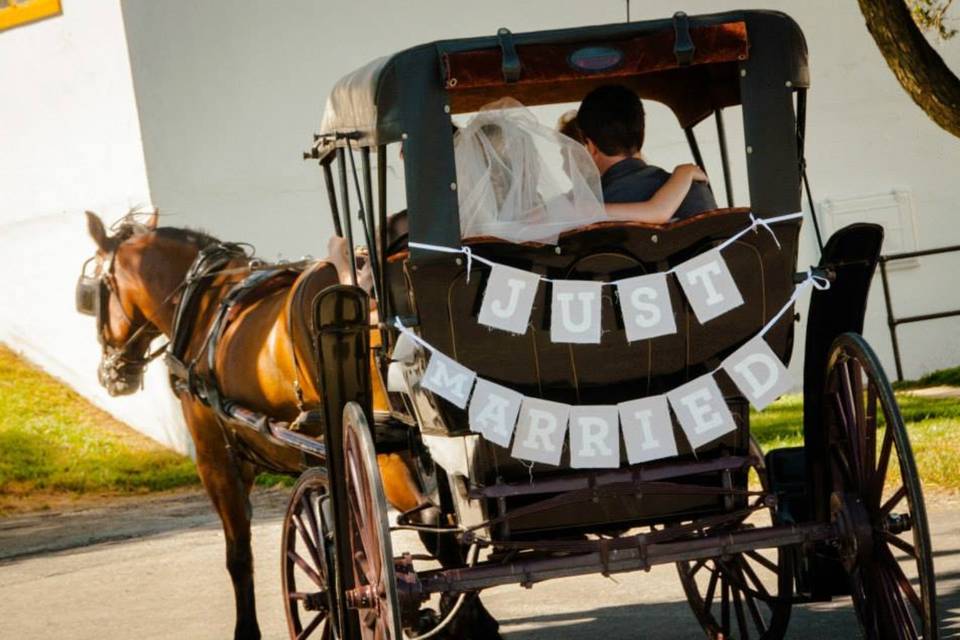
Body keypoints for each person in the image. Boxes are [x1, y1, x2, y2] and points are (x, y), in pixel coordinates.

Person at [576, 84, 717, 222]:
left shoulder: (577, 206)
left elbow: (658, 211)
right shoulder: (693, 191)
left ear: (591, 146)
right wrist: (684, 172)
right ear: (642, 133)